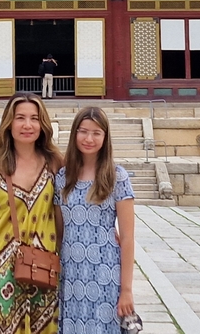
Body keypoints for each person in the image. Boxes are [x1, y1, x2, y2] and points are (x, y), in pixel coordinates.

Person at [0, 93, 63, 334]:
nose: (27, 125)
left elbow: (71, 210)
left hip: (44, 269)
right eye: (20, 118)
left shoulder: (55, 163)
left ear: (43, 124)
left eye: (34, 118)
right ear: (9, 123)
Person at [55, 106, 135, 334]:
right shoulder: (62, 178)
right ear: (74, 134)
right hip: (70, 274)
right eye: (83, 131)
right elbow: (60, 232)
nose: (89, 139)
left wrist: (126, 289)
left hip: (105, 272)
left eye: (96, 133)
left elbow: (128, 238)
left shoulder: (116, 176)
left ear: (105, 137)